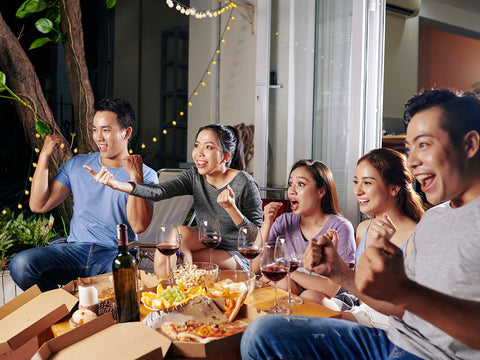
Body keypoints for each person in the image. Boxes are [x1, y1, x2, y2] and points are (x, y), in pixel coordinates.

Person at [240, 89, 480, 359]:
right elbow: (399, 307)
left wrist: (406, 292)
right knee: (262, 335)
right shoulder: (434, 219)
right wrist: (338, 271)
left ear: (469, 145)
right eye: (410, 149)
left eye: (423, 145)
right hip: (392, 341)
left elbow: (407, 299)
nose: (412, 162)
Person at [9, 97, 158, 292]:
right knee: (21, 265)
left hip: (114, 254)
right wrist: (44, 156)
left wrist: (135, 177)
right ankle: (65, 308)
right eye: (95, 129)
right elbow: (39, 205)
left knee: (122, 282)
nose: (98, 137)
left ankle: (81, 313)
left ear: (126, 132)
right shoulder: (77, 165)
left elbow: (139, 225)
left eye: (106, 130)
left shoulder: (146, 174)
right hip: (74, 251)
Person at [88, 124, 263, 274]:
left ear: (226, 157)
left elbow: (256, 236)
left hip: (238, 255)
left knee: (176, 258)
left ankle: (175, 298)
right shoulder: (194, 176)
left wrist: (231, 208)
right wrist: (116, 184)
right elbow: (159, 191)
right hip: (208, 243)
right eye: (197, 145)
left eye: (208, 147)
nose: (199, 153)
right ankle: (169, 297)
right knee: (177, 237)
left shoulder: (244, 183)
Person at [334, 148, 425, 328]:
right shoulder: (362, 229)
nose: (357, 190)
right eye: (356, 181)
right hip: (363, 314)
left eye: (367, 183)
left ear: (394, 188)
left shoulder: (416, 237)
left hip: (394, 326)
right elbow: (360, 290)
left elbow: (408, 307)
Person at [254, 159, 355, 307]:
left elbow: (330, 289)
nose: (292, 190)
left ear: (321, 191)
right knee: (281, 283)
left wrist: (285, 269)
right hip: (291, 292)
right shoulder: (283, 222)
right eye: (290, 184)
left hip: (330, 300)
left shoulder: (340, 227)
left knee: (308, 295)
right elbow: (254, 268)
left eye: (300, 184)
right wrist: (267, 223)